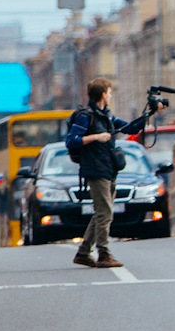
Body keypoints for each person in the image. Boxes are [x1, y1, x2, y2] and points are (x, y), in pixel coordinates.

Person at [63, 77, 153, 270]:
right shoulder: (86, 116)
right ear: (103, 94)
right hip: (95, 169)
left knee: (101, 213)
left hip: (108, 168)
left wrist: (150, 113)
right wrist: (96, 137)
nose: (111, 96)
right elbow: (71, 141)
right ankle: (103, 253)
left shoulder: (106, 116)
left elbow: (131, 128)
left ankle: (83, 253)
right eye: (110, 93)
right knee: (105, 213)